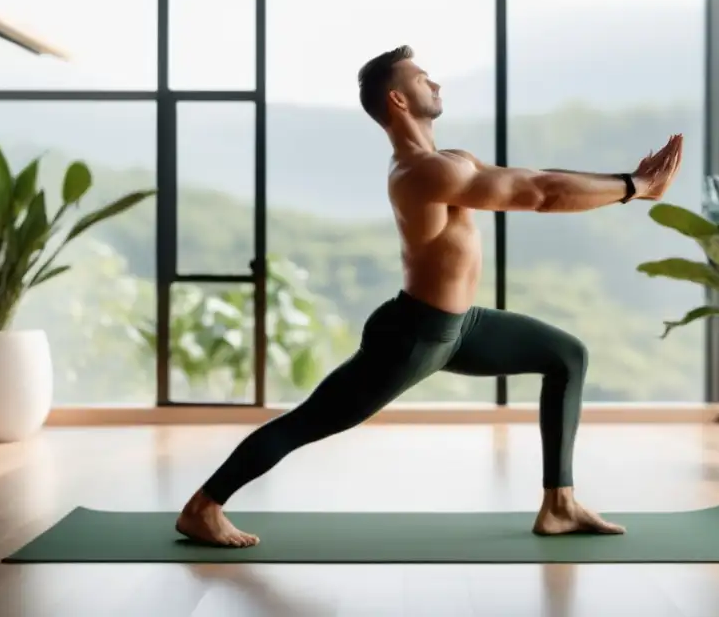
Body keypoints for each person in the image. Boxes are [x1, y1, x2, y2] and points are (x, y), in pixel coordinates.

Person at [176, 45, 685, 548]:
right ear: (397, 100)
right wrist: (633, 186)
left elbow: (535, 176)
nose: (436, 84)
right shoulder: (422, 172)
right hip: (414, 336)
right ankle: (202, 508)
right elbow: (538, 194)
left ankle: (559, 504)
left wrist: (634, 183)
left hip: (460, 328)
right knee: (308, 422)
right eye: (423, 78)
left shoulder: (452, 160)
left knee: (566, 355)